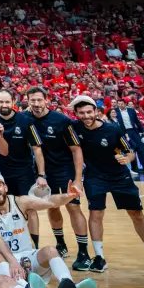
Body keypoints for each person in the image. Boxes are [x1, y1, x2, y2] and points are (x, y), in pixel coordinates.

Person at [70, 96, 144, 275]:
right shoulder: (75, 128)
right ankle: (99, 257)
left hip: (119, 176)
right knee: (96, 214)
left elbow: (129, 152)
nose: (86, 116)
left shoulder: (112, 129)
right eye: (82, 113)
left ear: (96, 111)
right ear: (76, 114)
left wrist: (126, 158)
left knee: (137, 214)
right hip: (95, 177)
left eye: (89, 112)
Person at [0, 171, 98, 288]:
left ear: (5, 187)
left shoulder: (20, 201)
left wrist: (69, 195)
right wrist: (12, 261)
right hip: (6, 262)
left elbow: (49, 201)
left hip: (26, 257)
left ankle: (69, 287)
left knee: (51, 251)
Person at [26, 86, 91, 271]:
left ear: (46, 100)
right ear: (27, 101)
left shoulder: (61, 120)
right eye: (33, 100)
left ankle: (83, 252)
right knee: (52, 207)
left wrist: (78, 179)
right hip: (42, 172)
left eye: (40, 100)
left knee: (73, 207)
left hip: (64, 169)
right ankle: (61, 244)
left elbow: (76, 149)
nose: (36, 104)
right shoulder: (25, 118)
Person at [0, 89, 47, 246]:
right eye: (1, 102)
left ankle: (34, 245)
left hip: (24, 172)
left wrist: (41, 174)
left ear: (13, 102)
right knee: (3, 211)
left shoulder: (25, 121)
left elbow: (37, 148)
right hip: (0, 173)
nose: (4, 105)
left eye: (7, 102)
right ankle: (9, 244)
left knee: (30, 208)